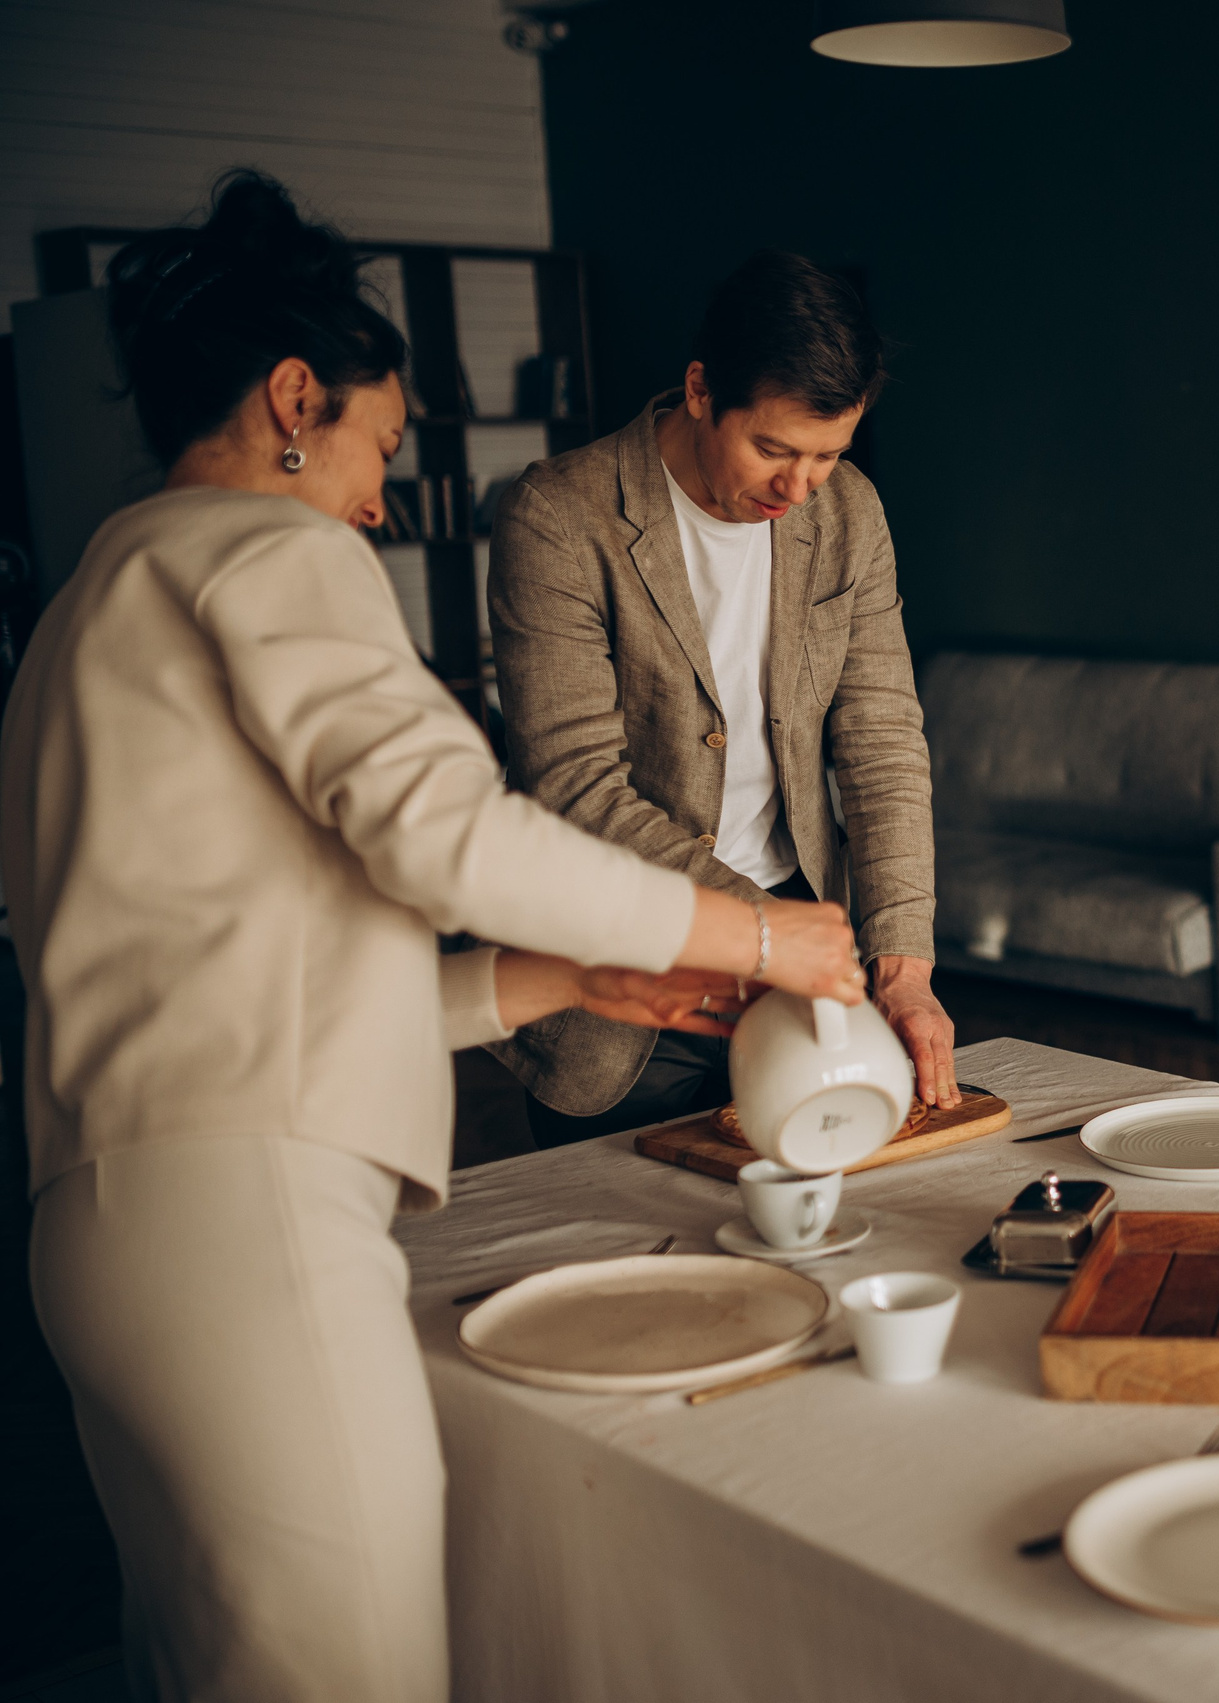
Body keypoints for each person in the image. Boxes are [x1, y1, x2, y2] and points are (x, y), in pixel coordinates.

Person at [1, 173, 869, 1702]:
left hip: (94, 1233)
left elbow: (251, 969)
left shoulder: (82, 609)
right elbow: (448, 829)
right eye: (376, 447)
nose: (378, 499)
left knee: (201, 1666)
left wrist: (548, 980)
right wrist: (753, 936)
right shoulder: (266, 555)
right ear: (293, 396)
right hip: (248, 1223)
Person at [485, 251, 955, 1147]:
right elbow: (575, 785)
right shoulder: (556, 517)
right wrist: (765, 934)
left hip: (801, 949)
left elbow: (883, 738)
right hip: (621, 980)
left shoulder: (849, 514)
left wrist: (903, 964)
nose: (798, 487)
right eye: (773, 448)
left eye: (827, 455)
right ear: (700, 389)